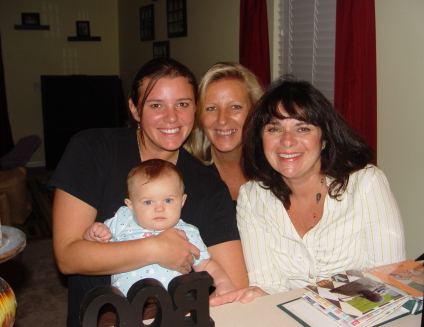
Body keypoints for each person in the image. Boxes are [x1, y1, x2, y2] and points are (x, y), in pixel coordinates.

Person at [49, 57, 248, 327]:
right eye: (156, 105)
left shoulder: (208, 184)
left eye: (182, 104)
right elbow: (68, 256)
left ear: (195, 109)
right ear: (134, 108)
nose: (172, 117)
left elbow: (234, 283)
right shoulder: (93, 150)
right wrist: (155, 248)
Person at [210, 76, 405, 306]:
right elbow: (268, 284)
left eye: (302, 128)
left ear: (324, 139)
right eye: (274, 128)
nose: (287, 141)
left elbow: (386, 278)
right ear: (260, 139)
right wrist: (261, 295)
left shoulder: (366, 184)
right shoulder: (253, 198)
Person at [84, 159, 235, 324]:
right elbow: (92, 247)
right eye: (148, 202)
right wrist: (93, 234)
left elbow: (206, 265)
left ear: (182, 201)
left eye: (168, 200)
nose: (159, 208)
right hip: (123, 302)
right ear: (131, 205)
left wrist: (222, 283)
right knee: (104, 319)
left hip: (170, 302)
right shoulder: (123, 219)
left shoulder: (187, 232)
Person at [184, 62, 263, 201]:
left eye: (235, 107)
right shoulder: (186, 173)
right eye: (211, 108)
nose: (222, 120)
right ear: (199, 116)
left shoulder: (274, 166)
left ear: (254, 111)